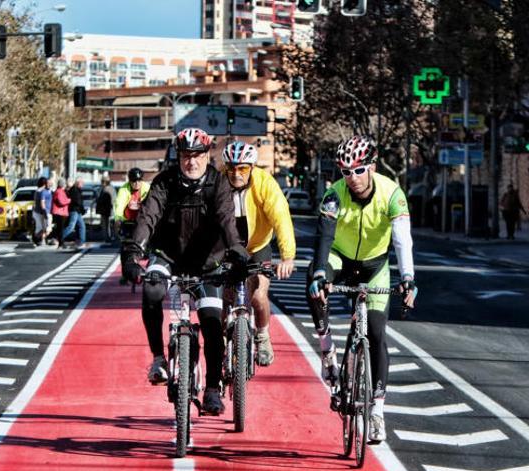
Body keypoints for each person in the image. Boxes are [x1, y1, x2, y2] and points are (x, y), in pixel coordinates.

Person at [121, 128, 247, 416]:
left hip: (208, 262)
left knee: (213, 322)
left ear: (207, 156)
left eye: (197, 156)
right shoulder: (165, 181)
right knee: (151, 289)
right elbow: (148, 217)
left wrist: (237, 250)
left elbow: (227, 220)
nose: (192, 162)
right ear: (179, 157)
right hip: (169, 255)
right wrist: (133, 253)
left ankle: (213, 388)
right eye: (186, 156)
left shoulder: (219, 183)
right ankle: (158, 359)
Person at [306, 135, 418, 443]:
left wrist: (408, 278)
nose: (351, 178)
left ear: (372, 166)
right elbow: (324, 237)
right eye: (345, 172)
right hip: (339, 258)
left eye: (358, 171)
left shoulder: (392, 194)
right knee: (313, 282)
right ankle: (326, 350)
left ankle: (378, 411)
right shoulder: (333, 195)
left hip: (375, 266)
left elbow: (402, 240)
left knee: (378, 334)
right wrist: (320, 272)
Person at [220, 140, 296, 366]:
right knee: (222, 298)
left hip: (258, 246)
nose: (236, 173)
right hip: (226, 247)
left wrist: (287, 257)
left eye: (242, 168)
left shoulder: (265, 184)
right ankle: (223, 342)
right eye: (231, 168)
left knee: (257, 296)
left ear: (252, 167)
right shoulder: (218, 184)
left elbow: (281, 218)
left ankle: (262, 337)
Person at [114, 167, 150, 243]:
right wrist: (118, 218)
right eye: (134, 181)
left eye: (139, 180)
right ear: (129, 181)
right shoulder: (124, 189)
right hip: (128, 221)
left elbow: (151, 204)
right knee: (126, 244)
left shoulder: (147, 188)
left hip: (142, 220)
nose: (137, 183)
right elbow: (119, 203)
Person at [62, 178, 86, 248]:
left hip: (77, 211)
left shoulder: (75, 189)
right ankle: (60, 238)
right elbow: (78, 202)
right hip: (74, 210)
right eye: (82, 183)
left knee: (82, 226)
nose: (83, 185)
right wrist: (83, 210)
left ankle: (82, 241)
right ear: (78, 183)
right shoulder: (75, 190)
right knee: (71, 227)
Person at [32, 177, 53, 246]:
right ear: (44, 183)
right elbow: (42, 202)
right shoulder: (41, 191)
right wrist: (44, 212)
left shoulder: (37, 191)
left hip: (37, 212)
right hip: (40, 212)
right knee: (43, 228)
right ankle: (38, 239)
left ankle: (40, 240)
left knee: (42, 228)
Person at [96, 177, 116, 243]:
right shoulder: (112, 188)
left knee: (105, 225)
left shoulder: (106, 189)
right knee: (110, 225)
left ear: (104, 182)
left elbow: (103, 200)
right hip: (110, 210)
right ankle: (111, 237)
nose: (101, 183)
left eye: (102, 182)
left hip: (105, 210)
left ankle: (107, 238)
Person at [51, 178, 70, 249]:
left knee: (60, 228)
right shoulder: (59, 191)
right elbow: (61, 201)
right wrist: (69, 200)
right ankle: (61, 242)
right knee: (60, 229)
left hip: (61, 212)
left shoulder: (60, 191)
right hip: (60, 212)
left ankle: (60, 242)